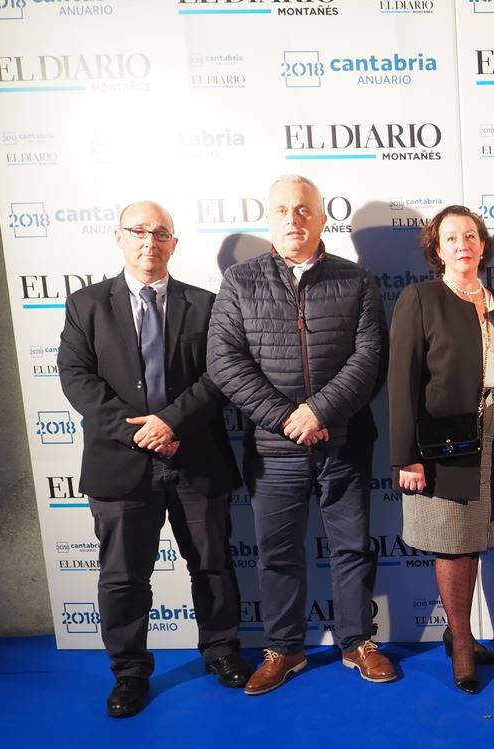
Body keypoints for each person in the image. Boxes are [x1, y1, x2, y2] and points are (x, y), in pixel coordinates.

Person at [58, 201, 246, 717]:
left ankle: (222, 650)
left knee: (211, 565)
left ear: (174, 244)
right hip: (120, 465)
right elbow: (76, 378)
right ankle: (129, 672)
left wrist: (171, 423)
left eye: (160, 232)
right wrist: (139, 433)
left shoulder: (206, 305)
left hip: (196, 459)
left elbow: (220, 375)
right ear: (118, 237)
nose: (149, 241)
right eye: (138, 231)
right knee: (122, 578)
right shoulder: (86, 305)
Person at [207, 174, 392, 694]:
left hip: (345, 441)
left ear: (322, 217)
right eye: (284, 210)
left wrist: (319, 412)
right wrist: (287, 418)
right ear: (269, 220)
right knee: (278, 552)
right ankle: (285, 648)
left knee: (353, 547)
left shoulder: (356, 281)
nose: (294, 219)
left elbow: (369, 360)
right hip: (273, 448)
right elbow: (224, 362)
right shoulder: (241, 282)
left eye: (304, 210)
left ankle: (357, 641)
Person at [387, 205, 494, 694]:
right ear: (437, 248)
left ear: (483, 245)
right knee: (453, 543)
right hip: (441, 444)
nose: (463, 245)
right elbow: (402, 381)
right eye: (451, 237)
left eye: (471, 236)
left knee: (478, 538)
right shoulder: (420, 299)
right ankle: (459, 643)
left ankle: (466, 636)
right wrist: (406, 455)